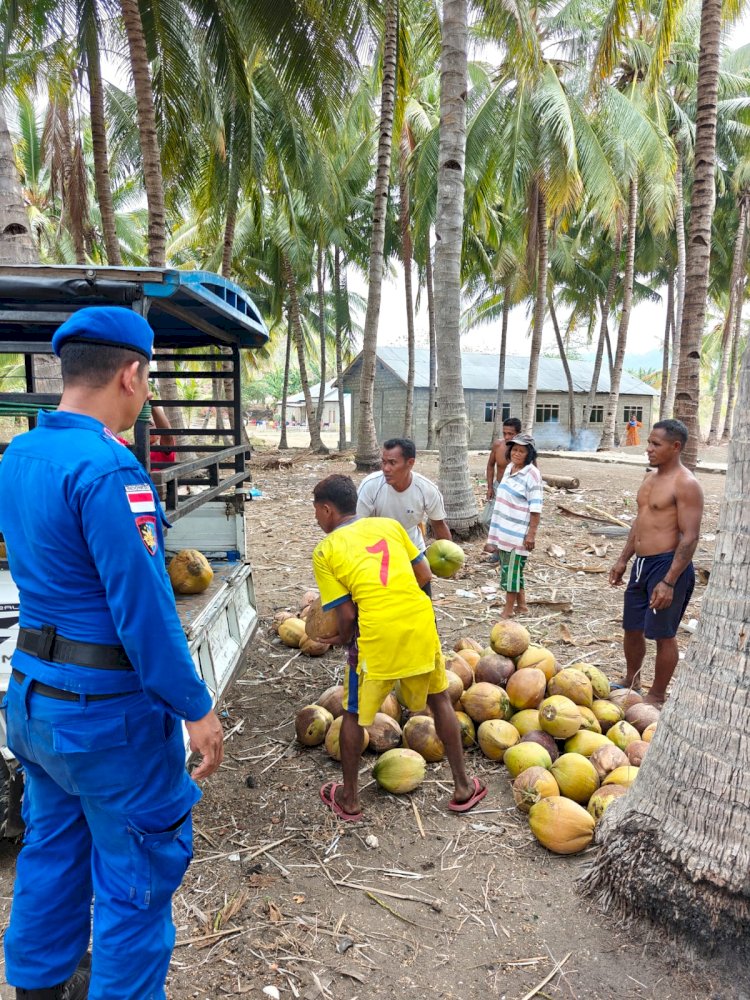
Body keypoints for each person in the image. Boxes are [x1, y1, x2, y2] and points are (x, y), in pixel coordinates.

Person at [0, 307, 224, 1000]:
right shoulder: (108, 468)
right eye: (148, 377)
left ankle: (36, 989)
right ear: (131, 372)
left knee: (53, 854)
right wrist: (196, 708)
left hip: (35, 702)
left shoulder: (20, 454)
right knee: (135, 881)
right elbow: (145, 612)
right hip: (107, 720)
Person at [311, 474, 487, 821]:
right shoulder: (389, 526)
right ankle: (463, 787)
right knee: (439, 700)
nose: (317, 518)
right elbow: (424, 574)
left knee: (352, 714)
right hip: (419, 623)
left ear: (327, 510)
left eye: (316, 512)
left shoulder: (325, 550)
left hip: (376, 636)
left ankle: (349, 799)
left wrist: (341, 638)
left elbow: (345, 615)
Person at [608, 419, 704, 706]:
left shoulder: (686, 484)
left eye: (655, 444)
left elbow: (690, 537)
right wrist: (623, 559)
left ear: (675, 447)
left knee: (663, 633)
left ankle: (657, 695)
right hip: (641, 564)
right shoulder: (649, 478)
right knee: (632, 626)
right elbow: (641, 521)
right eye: (649, 442)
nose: (648, 449)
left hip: (667, 565)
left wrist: (669, 581)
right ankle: (632, 679)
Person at [356, 438, 451, 595]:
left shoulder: (426, 490)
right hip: (376, 554)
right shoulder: (370, 486)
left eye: (392, 463)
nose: (386, 468)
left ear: (410, 463)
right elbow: (355, 527)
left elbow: (439, 525)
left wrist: (449, 558)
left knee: (421, 605)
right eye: (383, 462)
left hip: (413, 552)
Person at [487, 434, 543, 619]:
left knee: (509, 572)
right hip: (505, 530)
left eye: (522, 451)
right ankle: (522, 606)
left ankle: (508, 609)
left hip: (518, 533)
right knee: (513, 569)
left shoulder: (532, 474)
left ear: (529, 454)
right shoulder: (510, 468)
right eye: (515, 450)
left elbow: (536, 508)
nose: (517, 454)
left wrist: (531, 535)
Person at [483, 417, 522, 557]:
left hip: (515, 490)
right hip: (498, 486)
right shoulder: (498, 445)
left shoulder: (522, 450)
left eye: (510, 434)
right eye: (504, 433)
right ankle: (497, 547)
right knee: (486, 520)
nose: (507, 436)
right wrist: (490, 487)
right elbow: (490, 465)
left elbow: (532, 469)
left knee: (509, 521)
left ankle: (503, 553)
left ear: (518, 434)